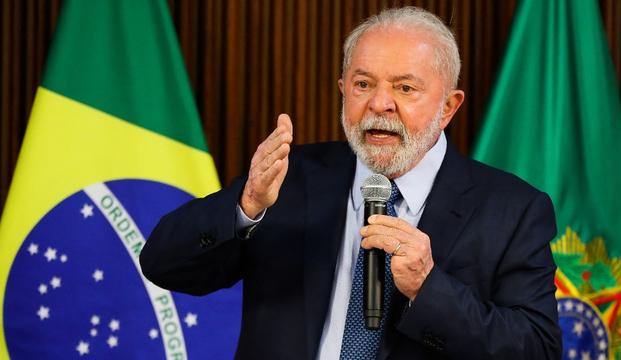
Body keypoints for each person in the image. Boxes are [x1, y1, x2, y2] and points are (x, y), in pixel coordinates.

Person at [140, 6, 562, 359]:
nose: (379, 104)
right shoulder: (290, 178)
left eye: (405, 88)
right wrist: (247, 207)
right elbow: (162, 263)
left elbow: (538, 349)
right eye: (363, 84)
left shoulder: (512, 210)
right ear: (343, 90)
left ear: (449, 106)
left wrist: (430, 289)